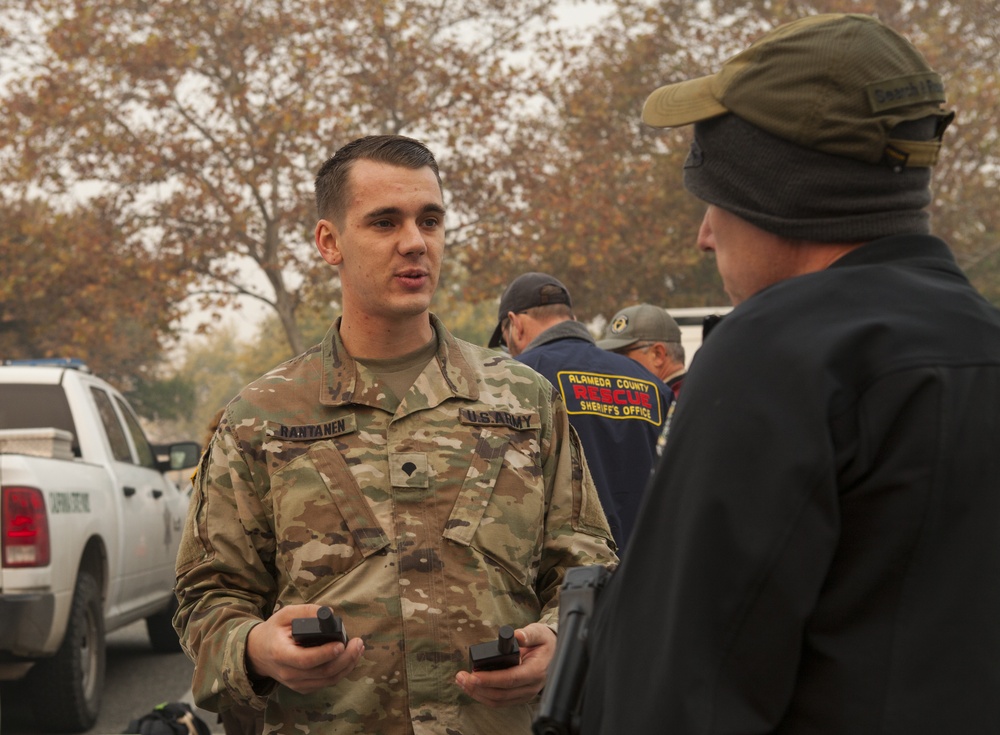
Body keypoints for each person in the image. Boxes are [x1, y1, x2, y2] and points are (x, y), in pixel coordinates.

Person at [580, 13, 1000, 733]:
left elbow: (678, 690)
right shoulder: (982, 341)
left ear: (772, 194)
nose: (704, 232)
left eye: (715, 197)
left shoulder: (773, 357)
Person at [172, 135, 617, 735]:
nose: (415, 243)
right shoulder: (262, 414)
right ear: (329, 242)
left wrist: (561, 641)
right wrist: (253, 647)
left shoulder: (524, 399)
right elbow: (208, 593)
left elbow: (586, 563)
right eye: (384, 222)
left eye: (429, 220)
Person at [488, 273, 672, 550]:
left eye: (505, 340)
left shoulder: (512, 379)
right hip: (648, 568)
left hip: (566, 573)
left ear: (515, 325)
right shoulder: (653, 385)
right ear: (571, 318)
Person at [596, 303, 686, 397]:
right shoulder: (675, 396)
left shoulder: (675, 401)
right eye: (609, 354)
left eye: (621, 354)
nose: (614, 362)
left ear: (658, 354)